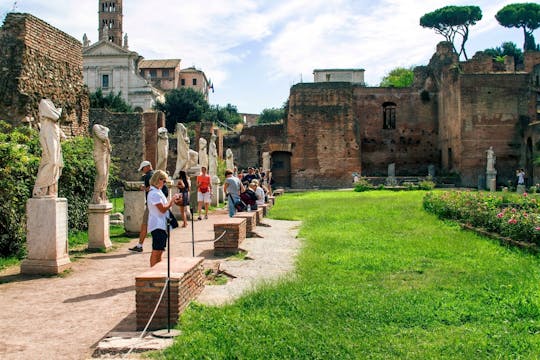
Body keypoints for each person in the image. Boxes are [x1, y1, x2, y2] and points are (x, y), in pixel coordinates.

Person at [130, 160, 168, 252]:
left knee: (145, 224)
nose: (143, 171)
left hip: (152, 204)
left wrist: (144, 188)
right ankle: (161, 244)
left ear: (147, 167)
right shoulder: (157, 174)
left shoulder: (148, 176)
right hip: (161, 201)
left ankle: (140, 245)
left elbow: (152, 187)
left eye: (143, 169)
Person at [147, 170, 179, 266]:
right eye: (163, 181)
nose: (164, 183)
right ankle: (153, 272)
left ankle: (158, 270)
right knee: (156, 250)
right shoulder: (154, 193)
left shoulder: (157, 191)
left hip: (161, 224)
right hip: (157, 224)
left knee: (160, 250)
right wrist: (172, 201)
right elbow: (162, 209)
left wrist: (171, 201)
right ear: (158, 180)